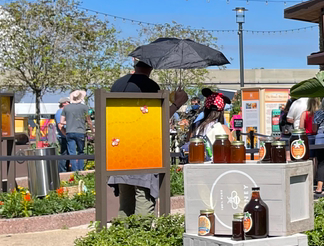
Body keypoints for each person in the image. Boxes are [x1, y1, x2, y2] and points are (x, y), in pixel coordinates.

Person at [107, 60, 189, 218]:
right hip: (143, 151)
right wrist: (177, 103)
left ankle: (121, 238)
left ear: (134, 64)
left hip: (119, 151)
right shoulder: (150, 86)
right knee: (144, 197)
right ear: (152, 66)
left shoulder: (117, 85)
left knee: (125, 203)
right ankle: (142, 239)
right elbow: (156, 119)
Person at [186, 89, 232, 159]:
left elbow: (188, 145)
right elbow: (230, 151)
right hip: (216, 165)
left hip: (196, 163)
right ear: (221, 111)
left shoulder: (194, 127)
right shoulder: (223, 128)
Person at [64, 90, 92, 172]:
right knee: (81, 151)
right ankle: (81, 170)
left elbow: (62, 121)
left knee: (72, 153)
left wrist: (70, 122)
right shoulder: (84, 107)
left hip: (69, 131)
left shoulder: (66, 108)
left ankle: (74, 170)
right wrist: (93, 130)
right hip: (80, 131)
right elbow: (89, 120)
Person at [54, 98, 69, 172]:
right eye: (68, 102)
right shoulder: (60, 112)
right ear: (64, 103)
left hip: (64, 136)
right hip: (63, 136)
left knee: (67, 154)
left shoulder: (63, 112)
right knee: (64, 154)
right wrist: (66, 135)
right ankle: (62, 171)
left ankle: (66, 169)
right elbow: (60, 125)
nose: (69, 104)